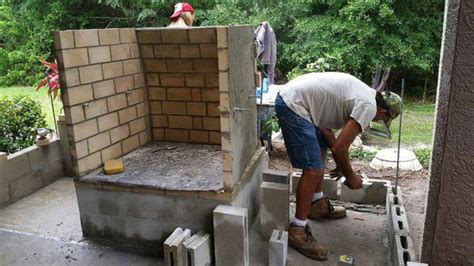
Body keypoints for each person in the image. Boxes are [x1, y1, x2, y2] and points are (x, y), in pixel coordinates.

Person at [275, 72, 401, 261]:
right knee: (313, 169)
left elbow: (328, 133)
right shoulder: (368, 106)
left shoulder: (364, 93)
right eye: (381, 119)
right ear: (382, 113)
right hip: (294, 105)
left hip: (296, 99)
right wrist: (350, 176)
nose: (376, 121)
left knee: (320, 151)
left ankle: (316, 205)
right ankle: (297, 230)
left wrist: (342, 164)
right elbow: (340, 148)